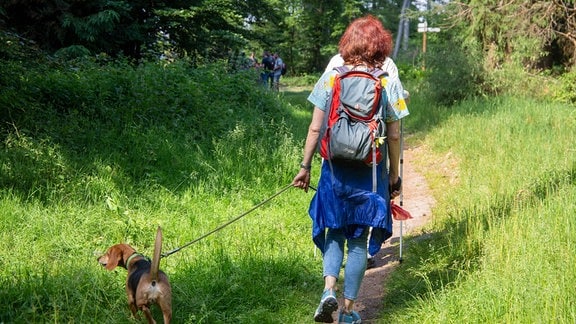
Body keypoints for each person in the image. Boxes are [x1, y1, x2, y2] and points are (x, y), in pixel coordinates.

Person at [292, 15, 409, 324]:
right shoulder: (388, 81)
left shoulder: (332, 76)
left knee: (333, 229)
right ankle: (347, 311)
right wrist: (394, 176)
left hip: (334, 170)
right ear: (381, 46)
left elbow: (315, 129)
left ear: (348, 44)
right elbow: (394, 134)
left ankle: (328, 290)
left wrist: (304, 167)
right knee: (357, 240)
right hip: (369, 174)